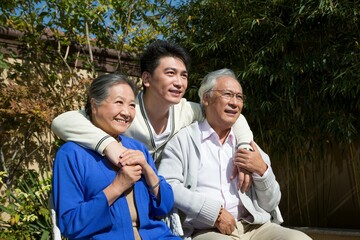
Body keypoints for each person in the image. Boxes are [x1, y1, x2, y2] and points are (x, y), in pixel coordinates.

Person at [51, 40, 254, 192]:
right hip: (125, 195)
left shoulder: (188, 111)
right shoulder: (125, 112)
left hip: (166, 199)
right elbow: (61, 122)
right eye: (170, 73)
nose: (179, 82)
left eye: (183, 75)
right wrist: (109, 145)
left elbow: (231, 116)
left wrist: (243, 149)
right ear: (147, 78)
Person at [158, 68, 312, 240]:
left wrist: (262, 170)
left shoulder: (249, 146)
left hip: (254, 227)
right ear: (206, 99)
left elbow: (271, 203)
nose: (235, 102)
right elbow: (168, 186)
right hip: (207, 231)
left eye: (239, 97)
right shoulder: (183, 140)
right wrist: (213, 213)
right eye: (228, 94)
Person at [52, 73, 180, 239]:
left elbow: (165, 207)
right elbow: (70, 224)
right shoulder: (71, 154)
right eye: (118, 102)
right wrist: (117, 186)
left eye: (132, 105)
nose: (126, 112)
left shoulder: (136, 148)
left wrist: (148, 170)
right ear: (94, 105)